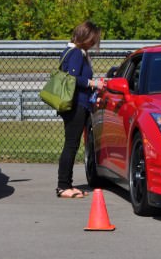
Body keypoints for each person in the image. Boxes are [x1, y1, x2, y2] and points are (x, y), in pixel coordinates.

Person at [56, 20, 105, 198]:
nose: (94, 43)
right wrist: (93, 83)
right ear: (86, 37)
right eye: (93, 39)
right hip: (75, 105)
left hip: (78, 104)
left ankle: (66, 184)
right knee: (71, 145)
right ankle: (63, 186)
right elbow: (72, 78)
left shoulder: (74, 51)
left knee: (72, 144)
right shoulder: (76, 53)